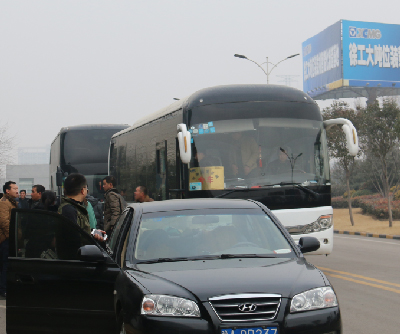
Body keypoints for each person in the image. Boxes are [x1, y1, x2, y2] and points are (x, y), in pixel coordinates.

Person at [58, 173, 105, 242]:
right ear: (83, 191)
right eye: (86, 188)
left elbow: (81, 231)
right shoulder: (69, 210)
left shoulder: (72, 207)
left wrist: (92, 232)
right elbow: (74, 240)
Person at [0, 181, 19, 298]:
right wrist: (11, 237)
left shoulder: (13, 202)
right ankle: (3, 289)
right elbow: (4, 222)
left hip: (10, 238)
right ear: (7, 190)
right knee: (5, 265)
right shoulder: (4, 203)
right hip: (6, 239)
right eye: (14, 188)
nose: (17, 190)